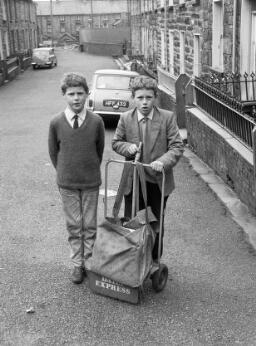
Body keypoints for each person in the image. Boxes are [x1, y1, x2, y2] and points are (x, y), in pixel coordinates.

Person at [112, 75, 184, 261]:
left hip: (157, 183)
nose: (144, 102)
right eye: (140, 98)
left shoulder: (167, 118)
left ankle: (153, 261)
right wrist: (128, 147)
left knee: (155, 223)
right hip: (133, 182)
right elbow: (116, 142)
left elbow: (177, 147)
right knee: (132, 222)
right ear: (133, 98)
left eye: (149, 98)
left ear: (155, 97)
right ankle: (133, 260)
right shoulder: (126, 118)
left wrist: (163, 161)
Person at [48, 72, 105, 284]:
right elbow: (54, 153)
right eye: (71, 94)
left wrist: (88, 169)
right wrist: (65, 172)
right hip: (67, 183)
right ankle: (77, 265)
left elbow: (99, 150)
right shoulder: (56, 122)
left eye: (80, 93)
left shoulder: (96, 121)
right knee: (74, 225)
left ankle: (89, 262)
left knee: (89, 225)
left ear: (87, 94)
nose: (76, 98)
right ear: (64, 95)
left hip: (90, 182)